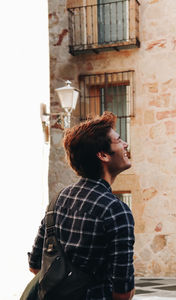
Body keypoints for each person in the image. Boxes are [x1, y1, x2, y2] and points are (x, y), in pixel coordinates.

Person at [28, 111, 135, 300]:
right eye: (118, 141)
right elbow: (123, 293)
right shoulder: (116, 211)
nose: (125, 144)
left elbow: (35, 265)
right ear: (103, 155)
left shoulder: (58, 200)